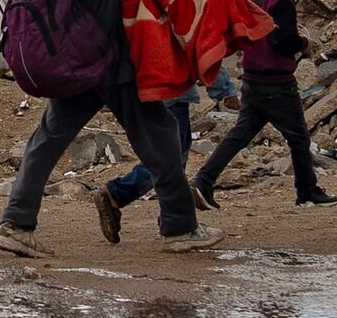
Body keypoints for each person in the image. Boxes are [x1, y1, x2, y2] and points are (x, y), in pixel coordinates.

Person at [0, 0, 223, 257]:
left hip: (76, 64)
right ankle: (179, 227)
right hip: (116, 64)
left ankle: (16, 223)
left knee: (47, 139)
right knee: (161, 138)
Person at [190, 0, 337, 209]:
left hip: (253, 80)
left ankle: (203, 181)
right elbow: (282, 42)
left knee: (240, 134)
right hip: (278, 83)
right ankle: (308, 190)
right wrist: (304, 44)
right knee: (298, 137)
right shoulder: (280, 1)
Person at [92, 65, 238, 239]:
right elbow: (202, 50)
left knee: (167, 156)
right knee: (169, 159)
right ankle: (121, 194)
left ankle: (172, 219)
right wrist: (225, 90)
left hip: (147, 89)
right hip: (172, 91)